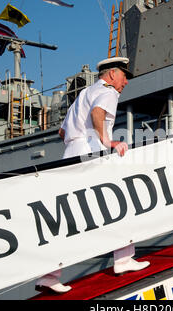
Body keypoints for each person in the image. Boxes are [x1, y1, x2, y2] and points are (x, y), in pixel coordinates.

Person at [35, 57, 150, 294]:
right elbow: (98, 113)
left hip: (72, 153)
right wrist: (107, 141)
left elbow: (62, 130)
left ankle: (48, 275)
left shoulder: (85, 92)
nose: (126, 82)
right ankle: (123, 259)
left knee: (69, 218)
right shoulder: (108, 93)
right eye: (124, 76)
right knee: (124, 203)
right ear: (111, 75)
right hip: (91, 155)